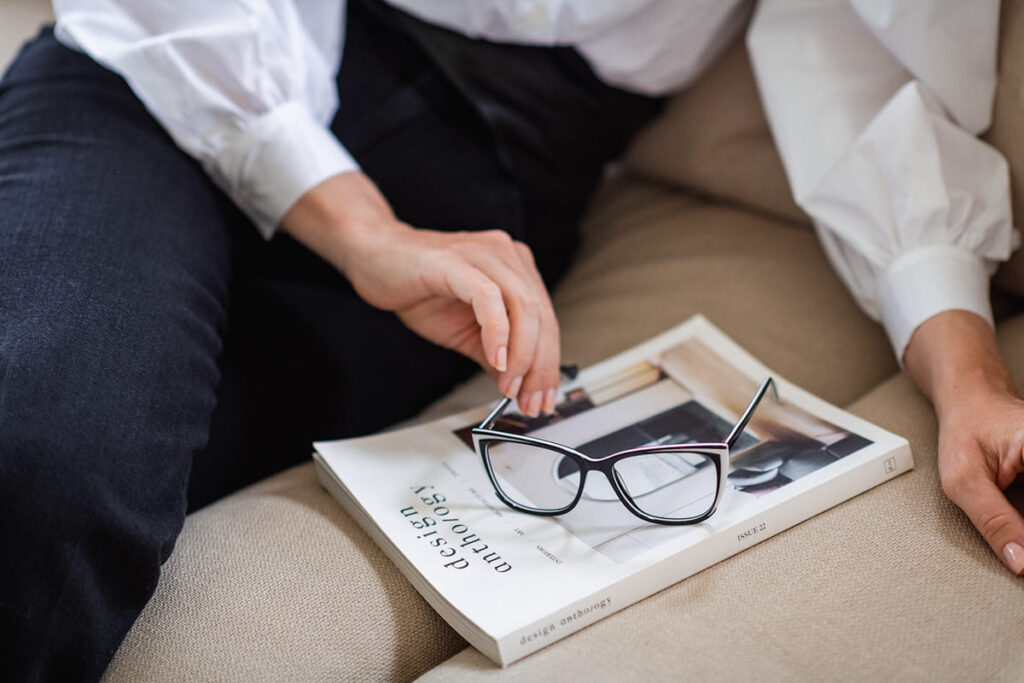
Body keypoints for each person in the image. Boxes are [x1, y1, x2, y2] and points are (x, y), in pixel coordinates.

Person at [0, 0, 1018, 679]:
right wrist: (367, 232)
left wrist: (965, 371)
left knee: (98, 481)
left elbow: (863, 69)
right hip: (164, 74)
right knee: (45, 446)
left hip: (484, 202)